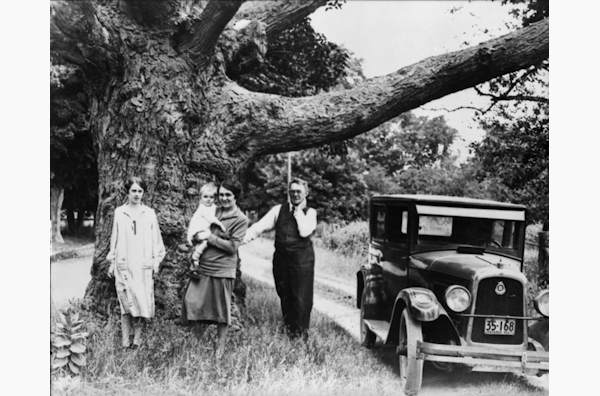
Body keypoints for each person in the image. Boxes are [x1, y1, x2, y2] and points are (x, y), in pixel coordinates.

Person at [242, 178, 317, 338]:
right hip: (281, 260)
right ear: (288, 193)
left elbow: (304, 231)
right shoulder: (278, 210)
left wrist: (297, 212)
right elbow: (258, 227)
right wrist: (238, 241)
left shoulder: (310, 213)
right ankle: (289, 329)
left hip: (302, 261)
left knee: (301, 297)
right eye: (292, 191)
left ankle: (301, 334)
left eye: (299, 192)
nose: (295, 195)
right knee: (285, 294)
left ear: (306, 193)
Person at [183, 181, 248, 355]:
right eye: (222, 195)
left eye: (228, 195)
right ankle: (195, 345)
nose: (224, 198)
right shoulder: (213, 210)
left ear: (235, 197)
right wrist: (197, 237)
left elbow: (232, 247)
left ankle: (219, 350)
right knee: (195, 304)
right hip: (204, 266)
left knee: (221, 311)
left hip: (222, 268)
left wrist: (210, 238)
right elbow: (199, 229)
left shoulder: (240, 219)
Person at [107, 176, 166, 349]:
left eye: (140, 191)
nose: (137, 194)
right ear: (127, 192)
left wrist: (155, 261)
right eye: (133, 190)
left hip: (142, 264)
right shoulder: (120, 212)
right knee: (125, 302)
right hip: (124, 263)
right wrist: (112, 261)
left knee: (141, 302)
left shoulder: (149, 213)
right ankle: (125, 342)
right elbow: (115, 238)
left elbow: (156, 239)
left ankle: (137, 341)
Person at [187, 183, 225, 268]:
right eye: (205, 197)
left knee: (206, 243)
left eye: (211, 197)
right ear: (201, 198)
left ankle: (197, 262)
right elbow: (211, 218)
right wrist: (221, 225)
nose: (208, 200)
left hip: (204, 231)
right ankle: (195, 257)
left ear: (215, 198)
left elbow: (218, 211)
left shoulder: (212, 207)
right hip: (197, 232)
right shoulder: (202, 208)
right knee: (208, 240)